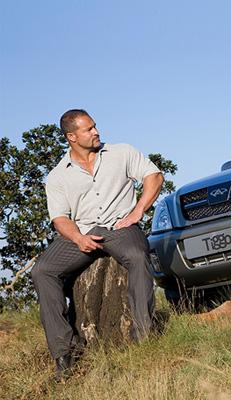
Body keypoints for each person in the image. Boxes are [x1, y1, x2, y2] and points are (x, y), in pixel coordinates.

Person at [31, 109, 164, 381]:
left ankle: (143, 336)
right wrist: (79, 238)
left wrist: (138, 211)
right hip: (82, 232)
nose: (96, 132)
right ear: (71, 137)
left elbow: (154, 176)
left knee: (139, 257)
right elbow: (59, 219)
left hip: (120, 227)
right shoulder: (57, 176)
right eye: (88, 129)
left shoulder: (121, 152)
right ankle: (64, 355)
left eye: (95, 126)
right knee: (42, 271)